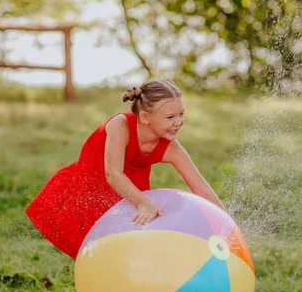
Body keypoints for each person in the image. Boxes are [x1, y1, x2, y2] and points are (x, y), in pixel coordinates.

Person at [25, 78, 224, 259]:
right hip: (91, 187)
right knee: (95, 253)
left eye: (181, 114)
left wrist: (226, 225)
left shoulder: (171, 148)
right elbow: (113, 174)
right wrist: (144, 203)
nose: (178, 121)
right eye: (170, 117)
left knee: (128, 251)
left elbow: (201, 188)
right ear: (145, 117)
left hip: (127, 194)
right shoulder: (121, 125)